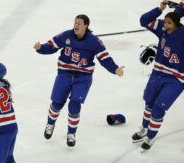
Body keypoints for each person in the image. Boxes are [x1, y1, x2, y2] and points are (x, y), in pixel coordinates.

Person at [33, 14, 124, 147]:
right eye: (75, 22)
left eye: (79, 23)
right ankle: (50, 124)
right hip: (64, 73)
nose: (76, 25)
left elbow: (105, 59)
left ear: (86, 25)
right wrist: (40, 48)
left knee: (74, 105)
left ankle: (71, 134)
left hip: (83, 77)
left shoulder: (94, 41)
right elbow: (51, 46)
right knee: (57, 103)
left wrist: (115, 69)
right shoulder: (66, 35)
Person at [132, 0, 184, 150]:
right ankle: (144, 129)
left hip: (176, 79)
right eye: (165, 23)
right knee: (149, 103)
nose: (166, 25)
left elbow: (176, 17)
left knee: (158, 108)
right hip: (158, 74)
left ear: (176, 24)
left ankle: (150, 137)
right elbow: (144, 20)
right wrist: (159, 9)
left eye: (169, 23)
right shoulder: (162, 28)